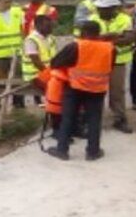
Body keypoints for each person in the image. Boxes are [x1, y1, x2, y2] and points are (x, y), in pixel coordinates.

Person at [46, 20, 113, 161]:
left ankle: (62, 150)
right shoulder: (110, 48)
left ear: (83, 33)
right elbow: (109, 67)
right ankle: (93, 152)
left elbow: (55, 63)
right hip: (97, 89)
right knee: (94, 119)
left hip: (74, 87)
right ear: (98, 33)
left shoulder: (76, 46)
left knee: (68, 118)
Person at [88, 0, 135, 133]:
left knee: (117, 92)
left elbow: (129, 39)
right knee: (95, 91)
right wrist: (114, 36)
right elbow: (89, 39)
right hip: (97, 62)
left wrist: (104, 38)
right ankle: (92, 120)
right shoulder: (93, 18)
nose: (100, 10)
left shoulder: (125, 19)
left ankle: (119, 119)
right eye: (99, 8)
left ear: (114, 8)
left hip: (118, 61)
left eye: (104, 8)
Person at [22, 10, 58, 100]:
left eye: (51, 26)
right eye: (48, 26)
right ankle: (52, 110)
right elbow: (36, 62)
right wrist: (50, 74)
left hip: (47, 73)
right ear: (38, 26)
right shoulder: (31, 40)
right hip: (34, 75)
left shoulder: (51, 38)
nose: (51, 29)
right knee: (55, 88)